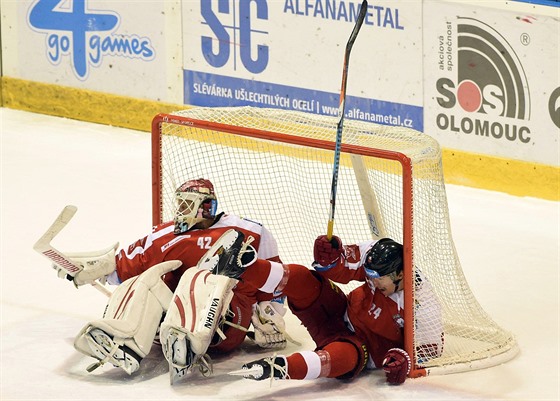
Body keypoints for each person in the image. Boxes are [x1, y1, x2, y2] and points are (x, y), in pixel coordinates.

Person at [54, 179, 290, 383]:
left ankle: (191, 343)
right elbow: (124, 266)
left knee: (196, 275)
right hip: (170, 323)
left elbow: (274, 275)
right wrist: (91, 270)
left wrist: (272, 313)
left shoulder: (249, 231)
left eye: (187, 203)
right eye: (180, 203)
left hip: (227, 323)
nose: (180, 209)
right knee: (143, 280)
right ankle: (125, 345)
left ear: (206, 207)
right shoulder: (165, 234)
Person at [208, 230, 443, 385]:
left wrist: (403, 359)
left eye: (378, 277)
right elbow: (343, 268)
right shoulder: (376, 254)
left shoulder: (423, 305)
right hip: (339, 312)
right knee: (303, 278)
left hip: (362, 348)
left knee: (345, 358)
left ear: (400, 274)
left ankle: (279, 369)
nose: (372, 280)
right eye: (369, 275)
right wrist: (329, 259)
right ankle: (238, 267)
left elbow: (431, 349)